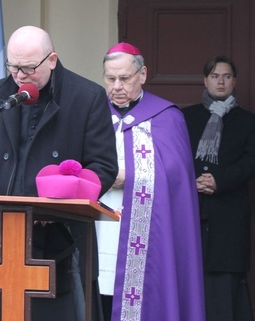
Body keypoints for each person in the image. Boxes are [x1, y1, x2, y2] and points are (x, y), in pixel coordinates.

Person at [0, 25, 118, 321]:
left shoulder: (86, 97)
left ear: (52, 60)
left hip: (61, 240)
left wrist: (59, 202)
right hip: (3, 239)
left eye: (29, 68)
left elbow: (104, 166)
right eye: (13, 66)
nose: (19, 76)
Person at [97, 42, 205, 321]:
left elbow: (176, 174)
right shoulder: (92, 114)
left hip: (147, 232)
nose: (116, 86)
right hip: (96, 226)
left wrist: (129, 177)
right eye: (110, 79)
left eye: (124, 78)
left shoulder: (166, 116)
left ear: (142, 75)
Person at [181, 56, 255, 321]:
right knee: (190, 276)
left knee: (225, 286)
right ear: (205, 80)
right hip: (191, 210)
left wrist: (220, 180)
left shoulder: (249, 122)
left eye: (226, 76)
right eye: (215, 76)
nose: (220, 81)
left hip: (228, 213)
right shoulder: (186, 116)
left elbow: (253, 162)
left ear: (234, 81)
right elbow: (174, 155)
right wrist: (192, 179)